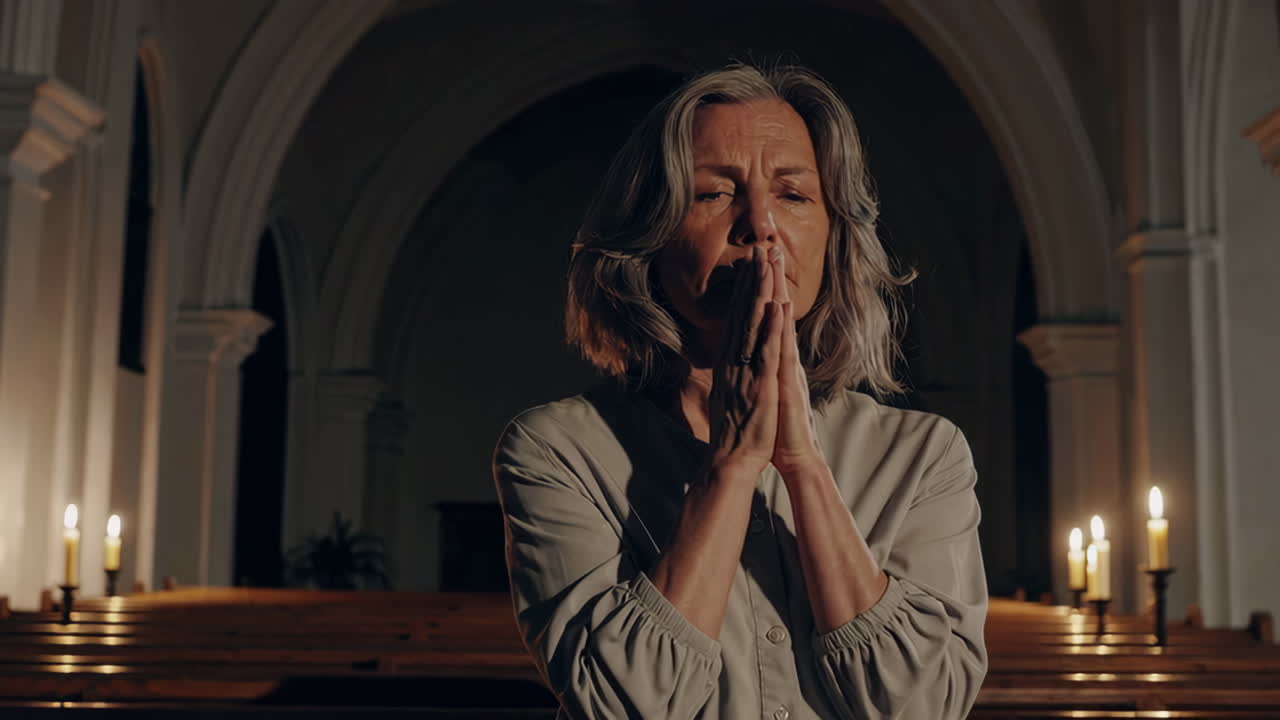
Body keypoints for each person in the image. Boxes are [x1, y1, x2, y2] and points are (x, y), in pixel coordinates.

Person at [492, 62, 988, 720]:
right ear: (650, 236)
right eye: (711, 194)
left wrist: (804, 466)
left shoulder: (926, 455)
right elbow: (620, 704)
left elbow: (926, 706)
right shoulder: (556, 450)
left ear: (832, 234)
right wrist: (732, 463)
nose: (759, 224)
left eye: (794, 195)